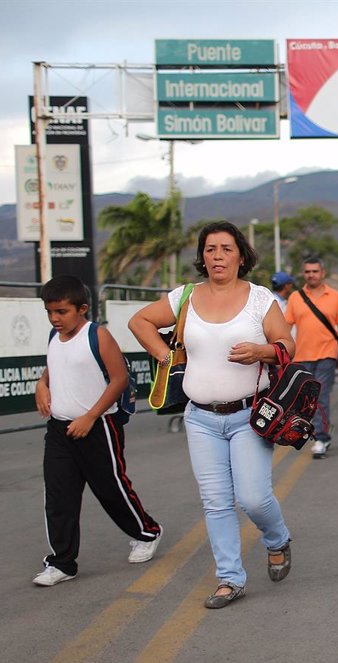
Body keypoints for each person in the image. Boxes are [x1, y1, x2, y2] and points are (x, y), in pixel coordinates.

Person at [129, 221, 295, 609]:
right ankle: (230, 578)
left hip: (248, 415)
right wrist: (165, 356)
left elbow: (287, 342)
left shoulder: (259, 299)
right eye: (210, 249)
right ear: (202, 257)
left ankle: (277, 539)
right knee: (216, 501)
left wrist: (261, 351)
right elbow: (139, 321)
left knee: (253, 498)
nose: (217, 256)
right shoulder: (184, 296)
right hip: (200, 418)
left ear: (241, 255)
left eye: (225, 248)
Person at [31, 276, 162, 586]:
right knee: (59, 496)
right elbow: (53, 369)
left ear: (82, 308)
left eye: (61, 312)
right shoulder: (55, 335)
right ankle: (62, 562)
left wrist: (90, 417)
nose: (55, 318)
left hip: (99, 426)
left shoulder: (97, 336)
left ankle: (147, 533)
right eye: (50, 312)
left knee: (110, 488)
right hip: (60, 430)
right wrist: (41, 384)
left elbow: (118, 380)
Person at [284, 256, 338, 458]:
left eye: (315, 271)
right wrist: (282, 355)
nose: (311, 275)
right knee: (305, 399)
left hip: (327, 354)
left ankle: (321, 438)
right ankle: (313, 430)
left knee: (320, 396)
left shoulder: (335, 296)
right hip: (302, 356)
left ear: (323, 273)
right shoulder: (296, 297)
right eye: (307, 271)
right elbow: (286, 327)